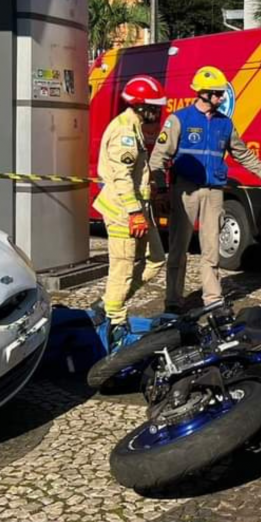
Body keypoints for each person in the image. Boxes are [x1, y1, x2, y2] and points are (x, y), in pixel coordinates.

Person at [149, 66, 261, 312]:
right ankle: (173, 300)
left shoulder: (225, 124)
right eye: (218, 94)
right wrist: (161, 188)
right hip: (185, 191)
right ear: (204, 93)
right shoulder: (179, 120)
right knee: (179, 246)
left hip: (214, 192)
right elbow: (158, 158)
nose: (222, 98)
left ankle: (213, 299)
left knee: (211, 248)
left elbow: (243, 154)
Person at [92, 75, 168, 345]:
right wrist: (135, 213)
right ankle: (115, 320)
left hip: (137, 208)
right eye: (155, 107)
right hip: (123, 211)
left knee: (156, 260)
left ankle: (108, 302)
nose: (158, 112)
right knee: (122, 269)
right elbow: (122, 177)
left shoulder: (133, 125)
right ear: (141, 106)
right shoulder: (125, 132)